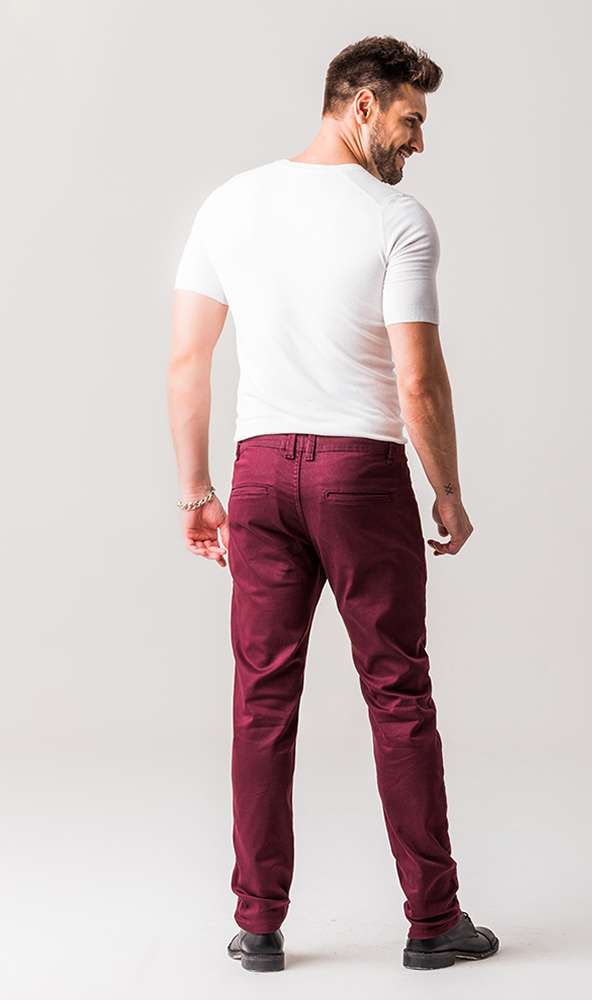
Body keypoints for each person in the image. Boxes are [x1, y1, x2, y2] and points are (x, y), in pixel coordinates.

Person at [167, 34, 498, 972]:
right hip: (360, 474)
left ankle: (258, 925)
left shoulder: (231, 203)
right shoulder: (398, 220)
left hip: (260, 473)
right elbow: (418, 378)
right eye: (411, 119)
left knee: (260, 699)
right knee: (398, 692)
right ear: (361, 103)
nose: (419, 141)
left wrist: (197, 492)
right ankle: (433, 921)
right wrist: (448, 490)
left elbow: (188, 360)